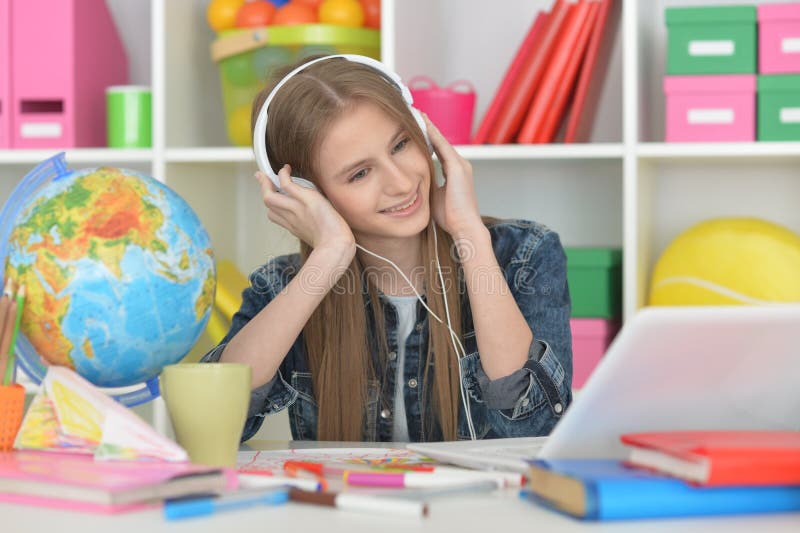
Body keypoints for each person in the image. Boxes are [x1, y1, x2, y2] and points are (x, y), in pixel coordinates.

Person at [201, 55, 573, 443]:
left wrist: (469, 235)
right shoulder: (283, 286)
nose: (401, 183)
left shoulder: (525, 256)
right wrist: (328, 257)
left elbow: (537, 428)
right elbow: (212, 424)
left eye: (400, 144)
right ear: (307, 195)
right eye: (360, 173)